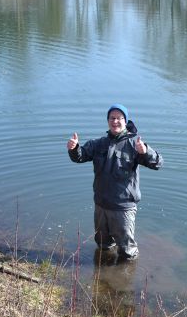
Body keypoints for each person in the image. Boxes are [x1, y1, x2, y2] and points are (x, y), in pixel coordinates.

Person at [66, 103, 162, 261]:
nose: (115, 121)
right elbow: (80, 156)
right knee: (103, 245)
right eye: (112, 118)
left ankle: (125, 275)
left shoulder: (135, 144)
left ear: (125, 121)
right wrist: (74, 148)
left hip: (123, 208)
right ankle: (103, 272)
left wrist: (145, 152)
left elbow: (157, 163)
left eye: (119, 118)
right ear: (107, 121)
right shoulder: (98, 144)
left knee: (127, 252)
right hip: (101, 205)